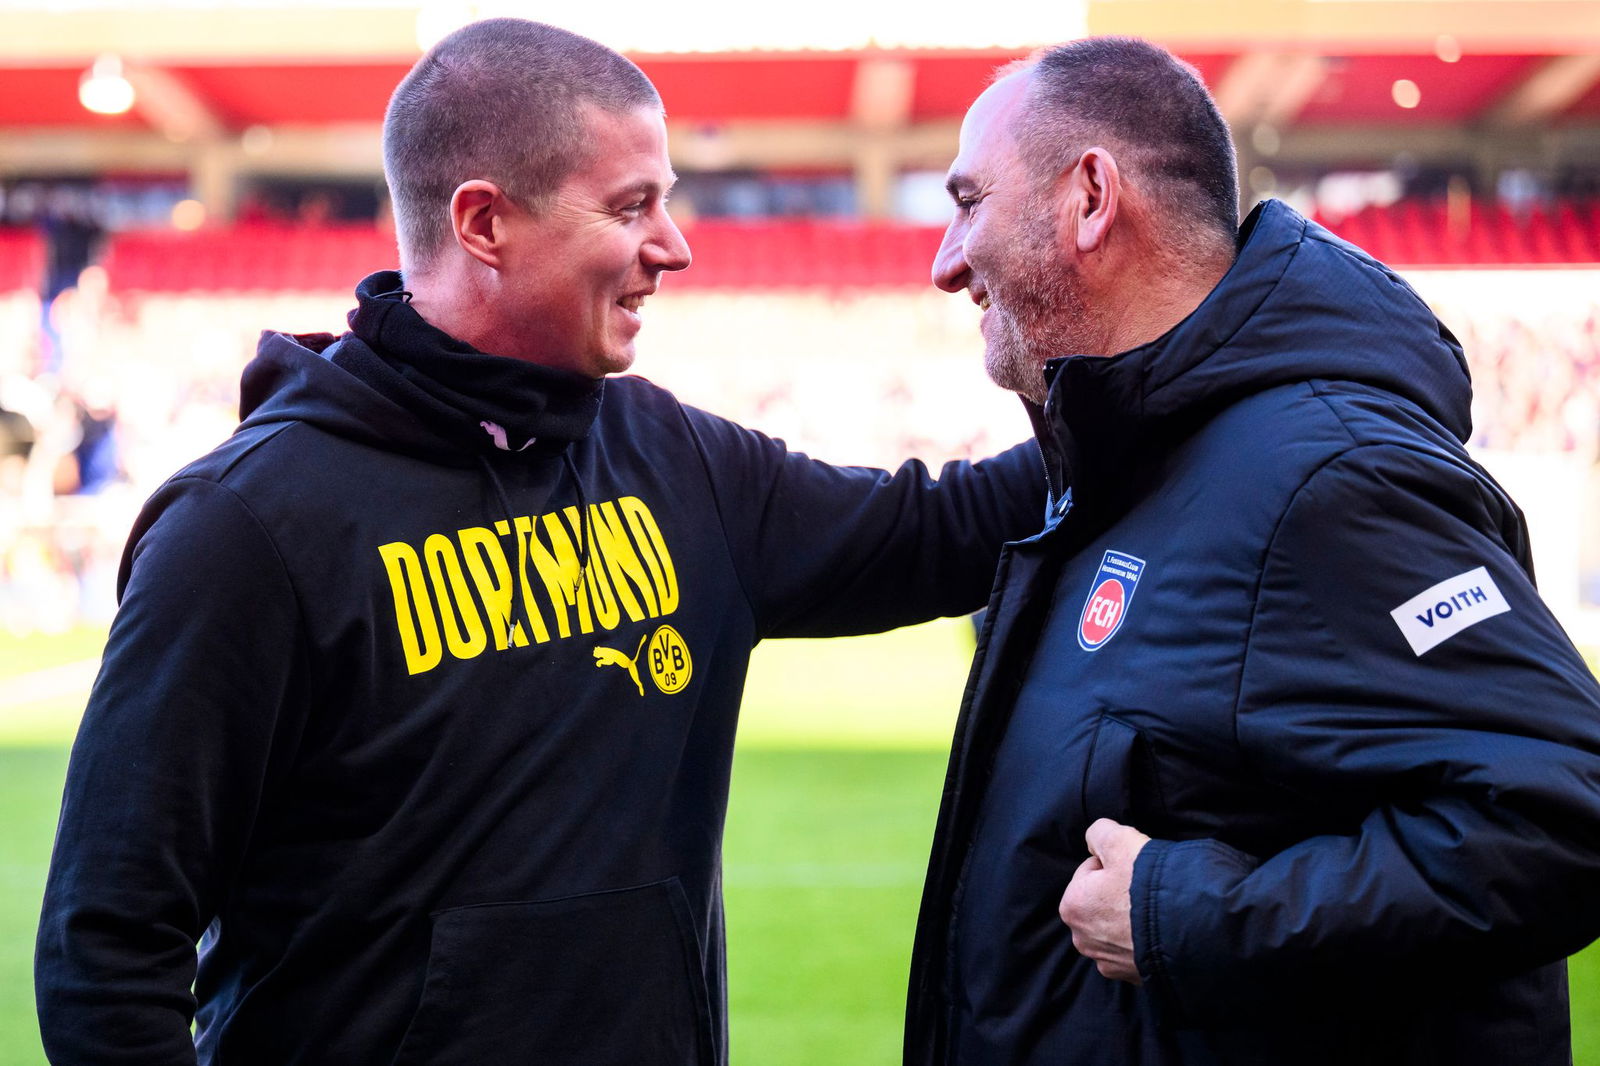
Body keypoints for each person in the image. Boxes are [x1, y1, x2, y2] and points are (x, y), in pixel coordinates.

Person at [33, 20, 1044, 1065]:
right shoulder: (245, 526)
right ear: (483, 222)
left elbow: (951, 527)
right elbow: (107, 948)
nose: (676, 244)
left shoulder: (672, 457)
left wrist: (1160, 355)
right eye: (630, 204)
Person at [905, 37, 1600, 1066]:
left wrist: (1189, 915)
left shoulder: (1325, 479)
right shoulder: (1127, 460)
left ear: (1090, 196)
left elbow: (1561, 817)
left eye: (968, 202)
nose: (946, 260)